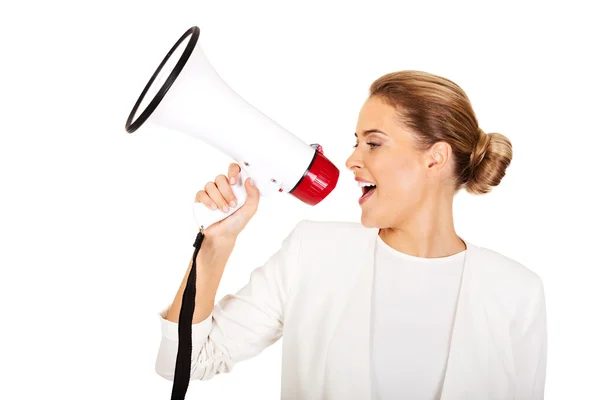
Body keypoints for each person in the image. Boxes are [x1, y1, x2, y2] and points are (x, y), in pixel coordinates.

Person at [155, 70, 547, 399]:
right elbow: (182, 363)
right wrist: (215, 246)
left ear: (436, 158)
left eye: (373, 143)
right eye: (355, 142)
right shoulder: (311, 253)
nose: (351, 160)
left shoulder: (517, 292)